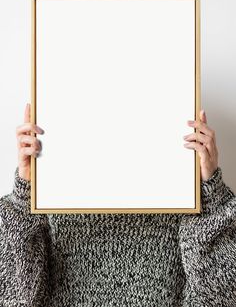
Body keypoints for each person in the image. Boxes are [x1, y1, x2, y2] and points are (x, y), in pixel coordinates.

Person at [0, 103, 235, 307]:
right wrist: (26, 189)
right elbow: (15, 295)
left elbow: (218, 296)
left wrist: (211, 189)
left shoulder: (178, 190)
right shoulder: (56, 186)